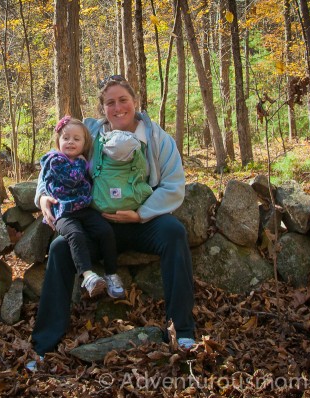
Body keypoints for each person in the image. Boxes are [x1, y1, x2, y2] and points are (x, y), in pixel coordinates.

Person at [28, 76, 195, 371]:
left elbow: (174, 185)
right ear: (102, 107)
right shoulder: (90, 132)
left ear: (135, 101)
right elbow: (55, 159)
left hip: (141, 221)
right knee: (59, 249)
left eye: (123, 100)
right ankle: (44, 346)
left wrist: (142, 213)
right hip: (96, 222)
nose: (117, 108)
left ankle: (182, 332)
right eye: (110, 102)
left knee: (174, 233)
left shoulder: (156, 138)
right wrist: (42, 197)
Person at [39, 116, 125, 299]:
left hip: (85, 209)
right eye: (66, 138)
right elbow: (72, 179)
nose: (70, 142)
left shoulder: (82, 160)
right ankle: (88, 276)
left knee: (105, 231)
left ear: (85, 143)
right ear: (58, 141)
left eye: (76, 139)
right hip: (64, 212)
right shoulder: (54, 160)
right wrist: (80, 162)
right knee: (75, 236)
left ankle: (111, 274)